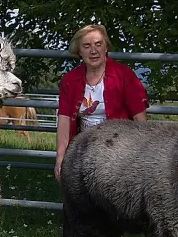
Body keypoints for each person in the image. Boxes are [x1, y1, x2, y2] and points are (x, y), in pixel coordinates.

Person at [54, 23, 149, 181]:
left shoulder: (124, 75)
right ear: (79, 51)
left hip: (119, 151)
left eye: (99, 44)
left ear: (106, 48)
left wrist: (143, 156)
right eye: (87, 46)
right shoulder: (69, 80)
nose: (93, 51)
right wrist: (60, 158)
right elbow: (64, 120)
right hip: (81, 149)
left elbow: (141, 121)